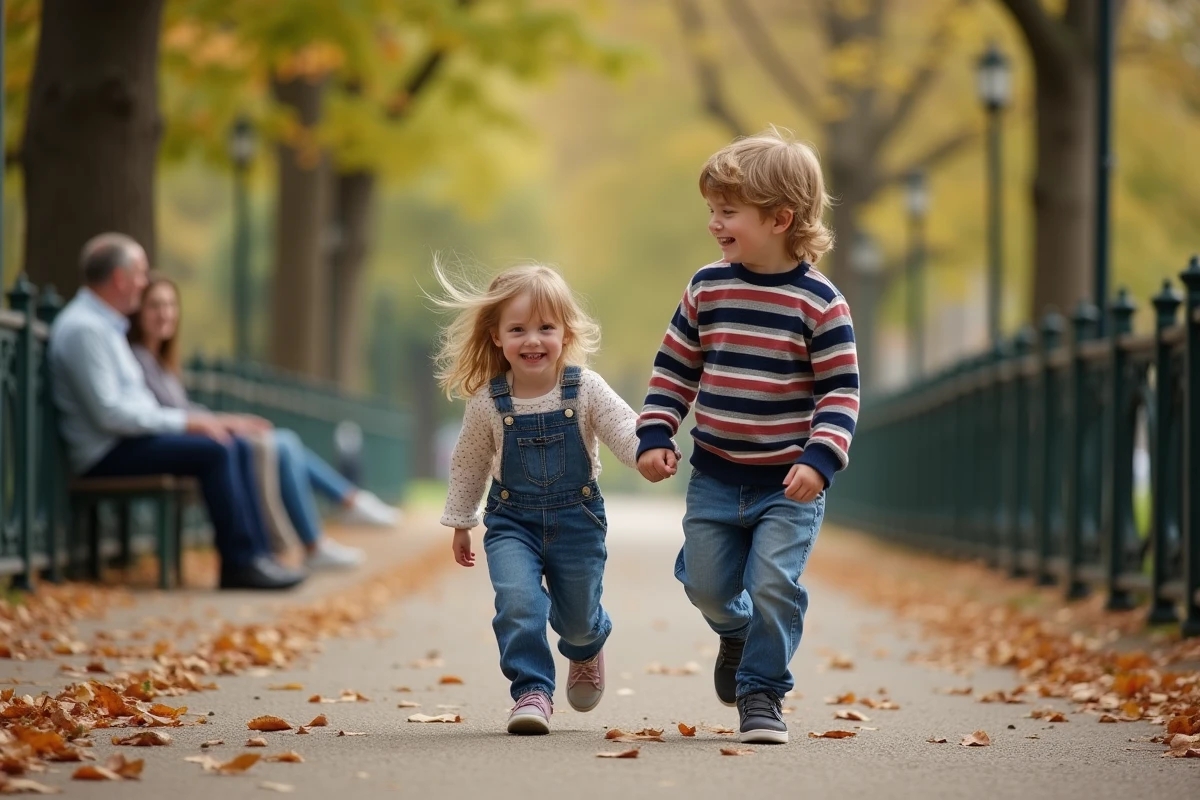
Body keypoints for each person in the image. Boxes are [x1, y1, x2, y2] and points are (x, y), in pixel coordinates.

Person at [635, 128, 860, 744]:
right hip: (715, 473)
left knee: (773, 583)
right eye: (712, 209)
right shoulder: (708, 287)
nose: (714, 223)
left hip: (788, 483)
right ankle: (734, 635)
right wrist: (656, 431)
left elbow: (841, 390)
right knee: (707, 586)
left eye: (727, 211)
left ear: (781, 218)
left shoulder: (821, 304)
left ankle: (762, 694)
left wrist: (822, 457)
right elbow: (676, 366)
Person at [434, 261, 654, 735]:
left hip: (578, 520)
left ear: (565, 332)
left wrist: (648, 454)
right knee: (518, 602)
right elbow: (468, 462)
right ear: (496, 336)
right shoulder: (488, 403)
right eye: (518, 329)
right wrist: (461, 521)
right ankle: (532, 690)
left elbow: (622, 426)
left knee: (576, 619)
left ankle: (586, 645)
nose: (532, 340)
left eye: (545, 328)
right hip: (511, 521)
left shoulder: (586, 388)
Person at [49, 233, 305, 591]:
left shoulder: (106, 328)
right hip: (105, 452)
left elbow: (136, 407)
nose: (143, 282)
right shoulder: (85, 330)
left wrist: (203, 422)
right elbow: (109, 414)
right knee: (215, 450)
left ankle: (258, 556)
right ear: (120, 279)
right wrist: (187, 424)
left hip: (127, 442)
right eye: (139, 274)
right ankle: (239, 563)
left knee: (234, 443)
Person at [127, 276, 368, 570]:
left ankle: (332, 518)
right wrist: (226, 423)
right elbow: (164, 415)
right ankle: (320, 526)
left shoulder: (161, 362)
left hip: (186, 439)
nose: (164, 313)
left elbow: (184, 409)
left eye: (170, 304)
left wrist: (230, 421)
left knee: (283, 442)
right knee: (275, 444)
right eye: (155, 305)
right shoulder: (139, 359)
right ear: (138, 312)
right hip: (164, 445)